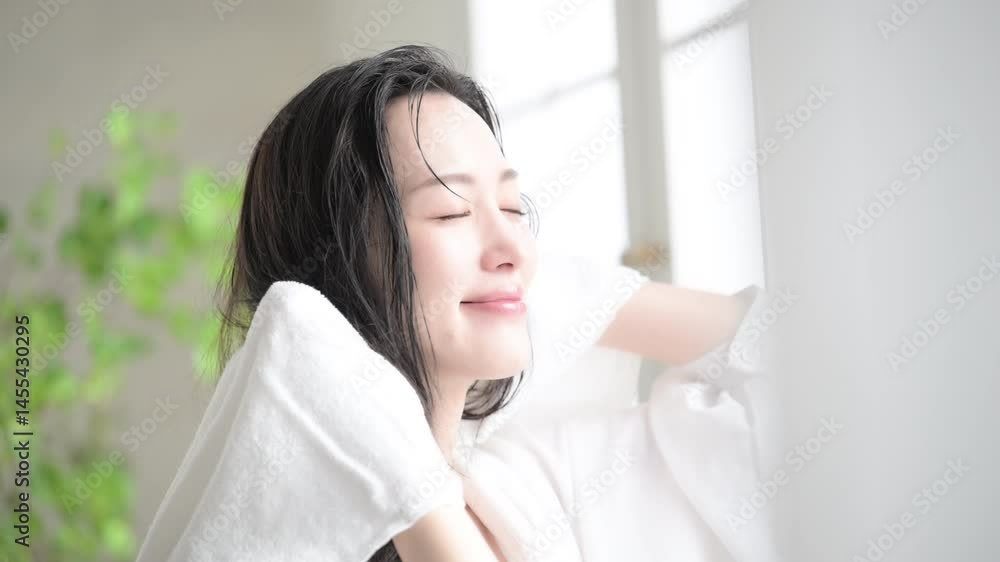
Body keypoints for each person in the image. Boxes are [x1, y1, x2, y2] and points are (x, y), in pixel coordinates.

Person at [139, 44, 770, 562]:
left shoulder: (543, 482)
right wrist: (412, 488)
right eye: (450, 211)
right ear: (336, 260)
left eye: (515, 208)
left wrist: (578, 298)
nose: (516, 249)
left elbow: (787, 358)